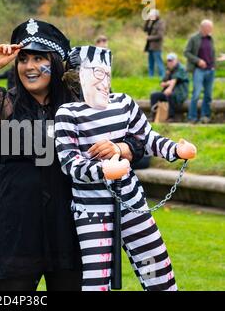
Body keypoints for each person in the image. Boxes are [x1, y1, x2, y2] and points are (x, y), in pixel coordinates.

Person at [0, 19, 145, 291]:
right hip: (19, 229)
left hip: (71, 226)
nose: (30, 67)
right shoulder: (3, 104)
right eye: (23, 59)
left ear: (56, 63)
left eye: (39, 58)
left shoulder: (82, 105)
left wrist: (121, 148)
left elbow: (137, 138)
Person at [55, 45, 197, 291]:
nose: (103, 80)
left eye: (106, 73)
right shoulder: (67, 113)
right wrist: (102, 171)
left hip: (132, 203)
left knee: (156, 268)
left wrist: (175, 150)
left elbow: (146, 138)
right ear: (78, 76)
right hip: (91, 209)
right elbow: (69, 163)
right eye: (96, 73)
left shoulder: (124, 103)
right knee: (97, 279)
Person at [184, 19, 223, 124]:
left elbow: (211, 53)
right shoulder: (194, 38)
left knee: (208, 95)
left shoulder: (211, 38)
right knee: (196, 94)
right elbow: (186, 52)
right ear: (203, 27)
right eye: (209, 27)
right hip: (198, 70)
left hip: (210, 70)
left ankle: (205, 116)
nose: (211, 29)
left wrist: (214, 65)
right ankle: (192, 117)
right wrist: (198, 61)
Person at [149, 53, 189, 122]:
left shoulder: (181, 68)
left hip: (180, 93)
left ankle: (171, 117)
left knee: (170, 94)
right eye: (169, 61)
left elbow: (174, 80)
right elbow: (162, 83)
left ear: (176, 60)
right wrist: (167, 81)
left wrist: (169, 88)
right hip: (168, 92)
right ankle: (154, 116)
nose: (170, 62)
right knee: (154, 96)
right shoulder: (168, 70)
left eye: (172, 60)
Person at [144, 9, 165, 78]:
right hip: (150, 46)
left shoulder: (160, 23)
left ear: (156, 15)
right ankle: (150, 77)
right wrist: (147, 20)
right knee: (150, 63)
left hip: (156, 47)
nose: (151, 17)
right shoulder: (152, 22)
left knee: (159, 63)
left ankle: (163, 77)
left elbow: (160, 36)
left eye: (152, 15)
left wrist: (149, 38)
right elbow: (145, 29)